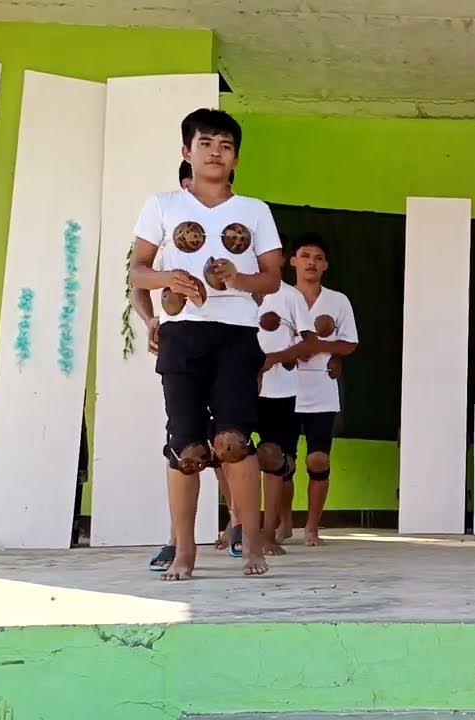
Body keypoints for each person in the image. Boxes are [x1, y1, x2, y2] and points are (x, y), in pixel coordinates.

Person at [129, 108, 284, 580]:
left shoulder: (254, 211)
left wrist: (237, 278)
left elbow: (274, 278)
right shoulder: (162, 204)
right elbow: (137, 270)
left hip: (237, 333)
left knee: (234, 443)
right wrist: (167, 279)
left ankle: (252, 543)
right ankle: (184, 550)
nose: (216, 152)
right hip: (183, 334)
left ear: (236, 156)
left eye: (225, 145)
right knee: (187, 448)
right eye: (206, 144)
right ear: (186, 152)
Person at [287, 232, 358, 547]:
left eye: (317, 257)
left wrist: (320, 347)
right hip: (283, 387)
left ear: (326, 265)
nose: (311, 262)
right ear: (292, 261)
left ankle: (312, 527)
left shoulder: (338, 300)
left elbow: (350, 342)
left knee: (318, 459)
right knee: (279, 460)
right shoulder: (278, 297)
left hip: (321, 388)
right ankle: (282, 523)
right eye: (305, 255)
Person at [253, 277, 307, 556]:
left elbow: (308, 342)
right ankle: (237, 526)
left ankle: (267, 532)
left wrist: (275, 357)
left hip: (279, 391)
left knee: (274, 457)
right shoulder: (231, 292)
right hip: (235, 386)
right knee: (227, 451)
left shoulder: (290, 296)